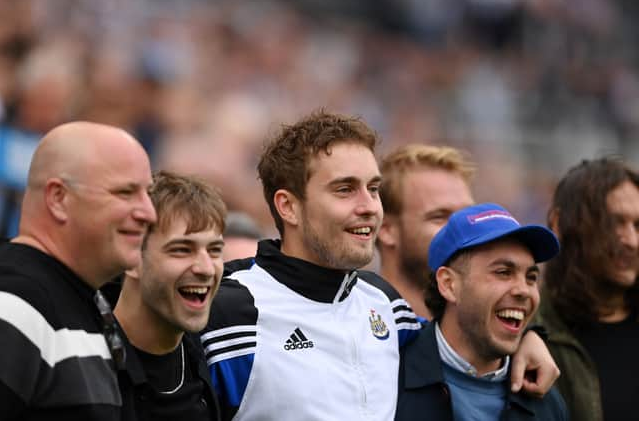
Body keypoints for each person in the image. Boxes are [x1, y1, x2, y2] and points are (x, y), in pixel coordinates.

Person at [201, 111, 559, 421]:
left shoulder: (386, 307)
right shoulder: (228, 312)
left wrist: (528, 337)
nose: (369, 206)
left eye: (373, 189)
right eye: (345, 189)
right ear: (288, 206)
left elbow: (462, 336)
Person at [0, 121, 157, 420]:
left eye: (147, 194)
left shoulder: (90, 300)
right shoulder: (13, 305)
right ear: (58, 199)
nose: (148, 212)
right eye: (126, 192)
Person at [396, 203, 567, 420]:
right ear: (449, 284)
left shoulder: (546, 402)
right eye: (504, 272)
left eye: (531, 277)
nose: (524, 291)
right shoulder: (389, 377)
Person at [108, 170, 226, 420]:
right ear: (131, 259)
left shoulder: (210, 356)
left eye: (215, 251)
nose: (206, 268)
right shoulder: (82, 363)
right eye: (182, 250)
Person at [534, 157, 639, 421]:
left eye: (638, 225)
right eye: (614, 222)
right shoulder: (531, 335)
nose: (632, 241)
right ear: (559, 223)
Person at [377, 144, 474, 319]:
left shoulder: (480, 337)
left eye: (466, 216)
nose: (461, 230)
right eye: (439, 217)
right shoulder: (357, 331)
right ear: (386, 230)